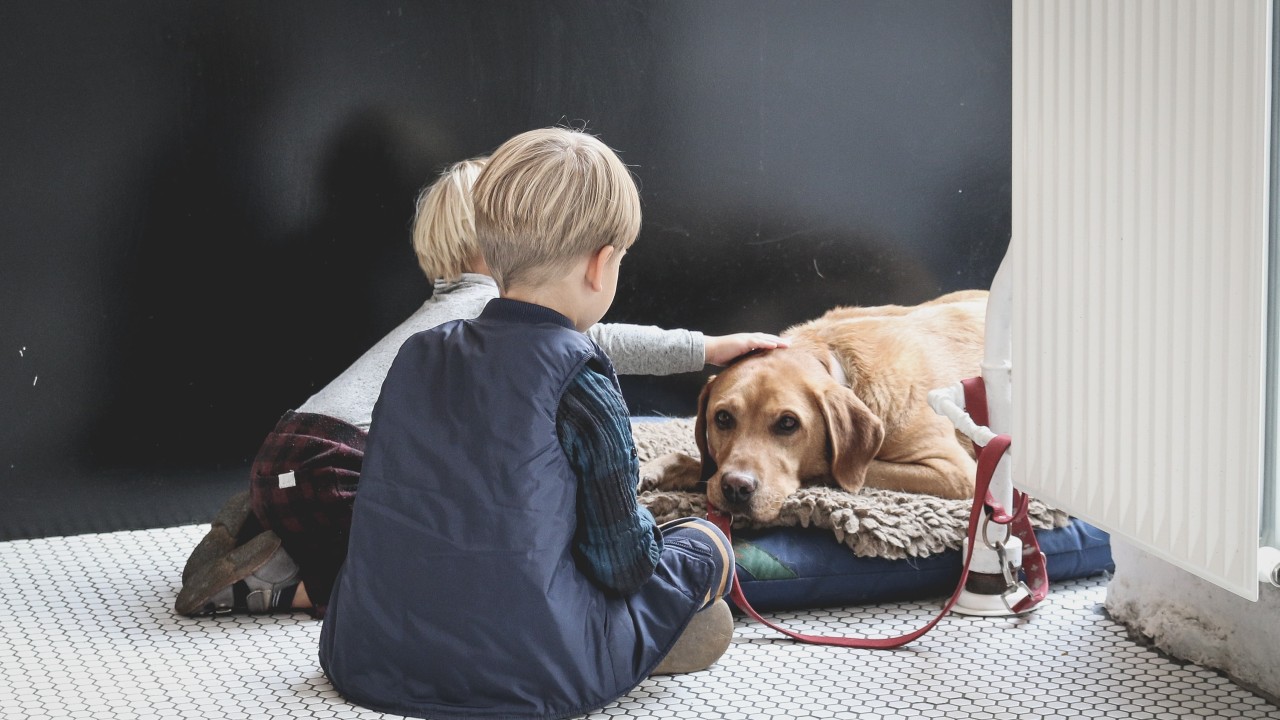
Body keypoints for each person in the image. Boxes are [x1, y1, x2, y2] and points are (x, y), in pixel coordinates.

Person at [176, 154, 783, 618]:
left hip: (294, 448)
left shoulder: (445, 314)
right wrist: (705, 348)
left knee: (386, 530)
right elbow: (603, 340)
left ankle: (269, 528)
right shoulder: (492, 313)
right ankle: (272, 587)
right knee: (401, 579)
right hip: (340, 461)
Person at [319, 126, 752, 719]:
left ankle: (633, 635)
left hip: (370, 651)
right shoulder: (581, 381)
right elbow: (622, 564)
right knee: (701, 545)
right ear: (602, 267)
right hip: (531, 669)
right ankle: (653, 632)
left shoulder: (417, 354)